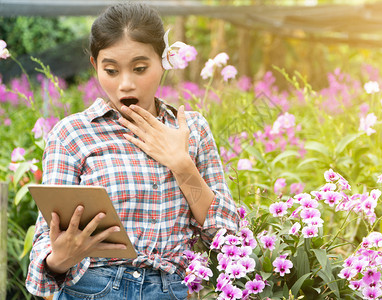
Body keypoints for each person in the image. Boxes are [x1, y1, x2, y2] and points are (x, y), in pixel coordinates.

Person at [25, 2, 239, 299]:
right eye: (110, 70)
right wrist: (59, 259)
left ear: (163, 61)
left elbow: (225, 236)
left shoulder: (192, 130)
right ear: (94, 65)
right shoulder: (71, 134)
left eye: (140, 68)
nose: (125, 84)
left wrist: (182, 165)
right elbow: (44, 243)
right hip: (90, 288)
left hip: (169, 289)